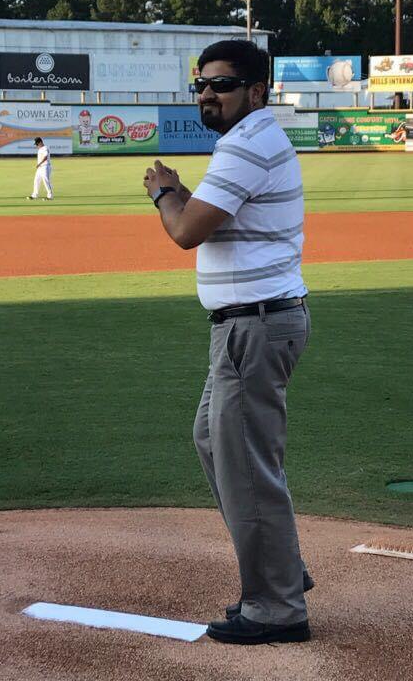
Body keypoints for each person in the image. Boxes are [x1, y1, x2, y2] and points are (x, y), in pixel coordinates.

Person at [143, 40, 313, 645]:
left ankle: (276, 607)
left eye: (222, 84)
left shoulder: (246, 144)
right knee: (215, 440)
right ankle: (281, 566)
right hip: (251, 325)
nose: (208, 94)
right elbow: (212, 219)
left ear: (257, 92)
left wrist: (164, 191)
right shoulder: (246, 141)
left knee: (246, 463)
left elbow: (186, 231)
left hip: (254, 326)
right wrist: (183, 194)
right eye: (201, 85)